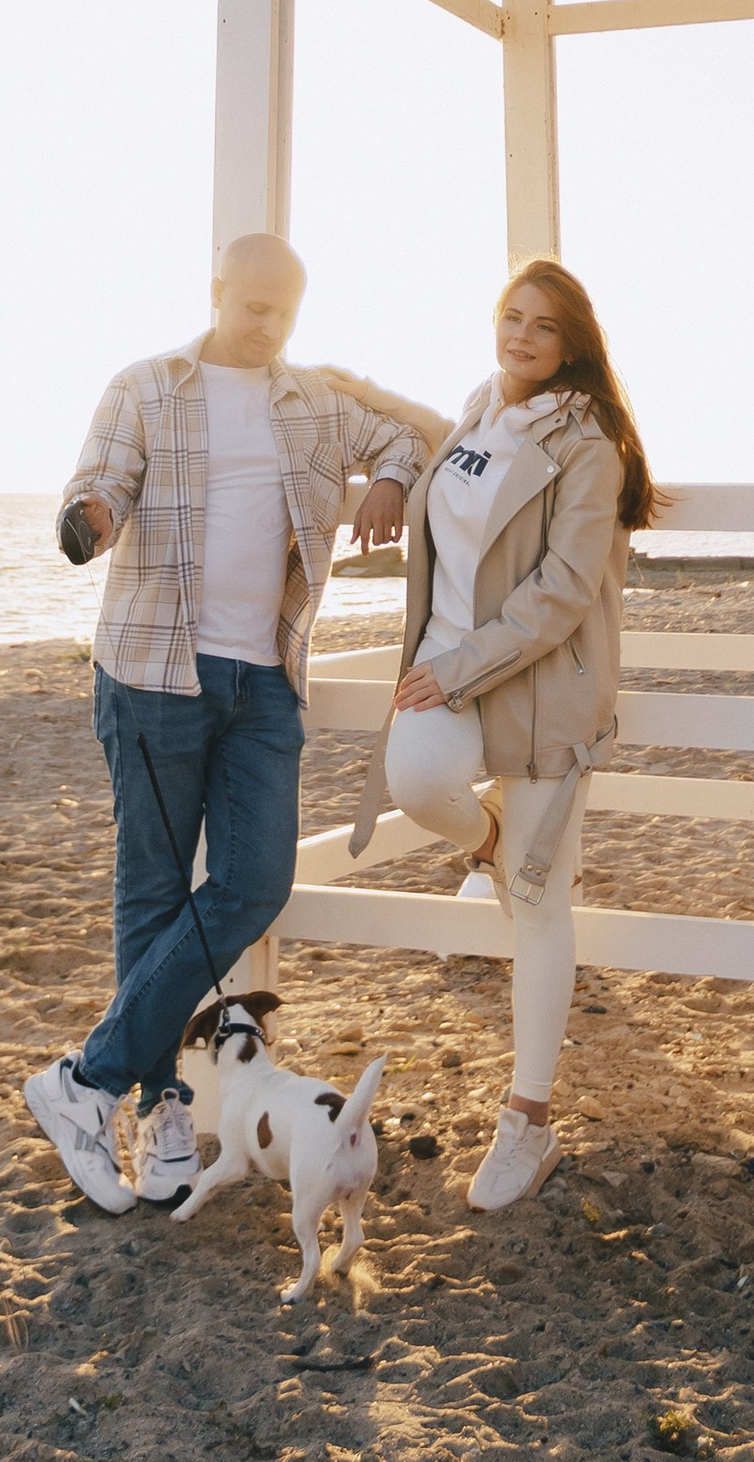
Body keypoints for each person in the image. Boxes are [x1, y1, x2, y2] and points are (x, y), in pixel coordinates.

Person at [25, 235, 442, 1216]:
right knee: (155, 890)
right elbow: (96, 484)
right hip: (152, 672)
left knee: (256, 878)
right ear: (217, 292)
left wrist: (387, 477)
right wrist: (90, 516)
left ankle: (82, 1080)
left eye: (282, 312)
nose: (265, 325)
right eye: (251, 306)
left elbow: (412, 437)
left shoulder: (314, 403)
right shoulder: (146, 387)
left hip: (263, 680)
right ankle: (163, 1108)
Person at [353, 258, 654, 1211]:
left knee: (539, 905)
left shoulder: (588, 440)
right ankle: (491, 849)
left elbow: (564, 590)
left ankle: (527, 1122)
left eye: (543, 327)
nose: (521, 336)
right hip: (447, 669)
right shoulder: (479, 411)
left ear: (572, 347)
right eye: (511, 317)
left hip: (536, 687)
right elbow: (424, 458)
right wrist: (392, 470)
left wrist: (464, 663)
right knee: (418, 785)